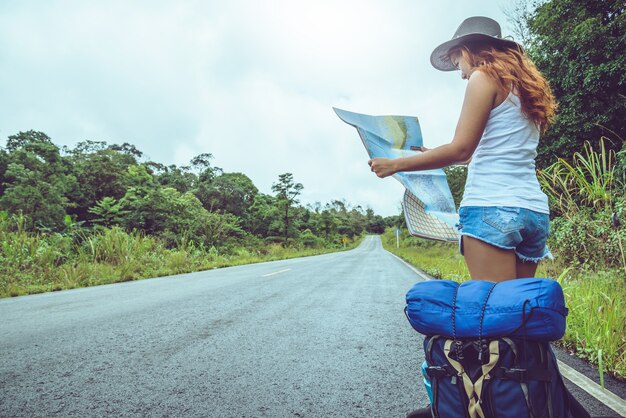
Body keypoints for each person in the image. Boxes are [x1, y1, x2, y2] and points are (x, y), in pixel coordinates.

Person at [369, 16, 557, 284]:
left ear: (469, 51)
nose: (462, 74)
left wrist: (395, 165)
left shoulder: (484, 77)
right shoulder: (526, 88)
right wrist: (432, 154)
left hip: (491, 206)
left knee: (495, 312)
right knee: (518, 310)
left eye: (459, 63)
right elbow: (474, 154)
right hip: (533, 212)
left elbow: (460, 149)